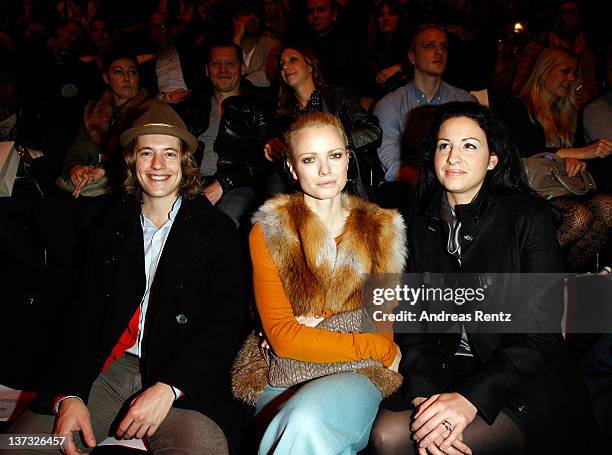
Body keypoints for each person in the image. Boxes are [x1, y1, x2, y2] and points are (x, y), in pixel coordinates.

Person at [6, 102, 247, 455]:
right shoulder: (109, 226)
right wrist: (69, 394)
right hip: (109, 369)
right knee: (17, 445)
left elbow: (227, 323)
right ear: (133, 161)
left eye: (169, 154)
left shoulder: (218, 232)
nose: (158, 165)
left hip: (180, 380)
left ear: (184, 162)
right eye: (147, 153)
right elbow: (82, 315)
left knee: (204, 449)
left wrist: (170, 386)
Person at [370, 101, 600, 455]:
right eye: (444, 145)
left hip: (515, 372)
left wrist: (470, 398)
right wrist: (424, 394)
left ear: (492, 160)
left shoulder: (527, 218)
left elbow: (540, 333)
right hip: (442, 367)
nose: (453, 156)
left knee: (452, 443)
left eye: (469, 145)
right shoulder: (414, 224)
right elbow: (410, 323)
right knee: (388, 436)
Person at [248, 112, 404, 453]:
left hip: (357, 376)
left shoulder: (381, 229)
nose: (324, 170)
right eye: (309, 159)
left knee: (305, 421)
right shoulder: (270, 230)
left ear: (349, 159)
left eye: (334, 156)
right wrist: (375, 347)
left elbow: (381, 326)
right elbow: (285, 341)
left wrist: (316, 328)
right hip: (286, 375)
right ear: (291, 168)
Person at [499, 47, 612, 269]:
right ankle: (524, 269)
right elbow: (525, 152)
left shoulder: (567, 114)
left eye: (574, 73)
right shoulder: (516, 107)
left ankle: (569, 277)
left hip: (565, 188)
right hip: (529, 191)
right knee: (578, 217)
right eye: (565, 71)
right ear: (544, 72)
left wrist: (575, 160)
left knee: (608, 207)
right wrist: (581, 152)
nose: (571, 79)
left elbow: (578, 157)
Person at [263, 44, 381, 197]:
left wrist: (336, 143)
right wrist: (273, 146)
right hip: (303, 185)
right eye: (282, 64)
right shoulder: (284, 113)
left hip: (345, 181)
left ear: (310, 65)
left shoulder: (336, 97)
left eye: (293, 60)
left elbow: (373, 132)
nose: (286, 66)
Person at [374, 24, 476, 184]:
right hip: (407, 191)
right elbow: (392, 163)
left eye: (443, 47)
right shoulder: (389, 105)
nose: (439, 52)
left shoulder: (465, 101)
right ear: (412, 57)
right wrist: (429, 185)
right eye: (429, 46)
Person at [59, 49, 150, 197]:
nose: (127, 78)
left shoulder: (149, 110)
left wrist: (104, 169)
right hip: (93, 186)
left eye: (132, 72)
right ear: (106, 78)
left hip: (130, 186)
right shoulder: (93, 113)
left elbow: (143, 155)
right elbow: (76, 151)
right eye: (118, 72)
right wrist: (76, 168)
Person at [199, 42, 270, 226]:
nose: (223, 69)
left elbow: (262, 160)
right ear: (207, 70)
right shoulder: (192, 107)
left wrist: (222, 184)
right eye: (216, 64)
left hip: (238, 185)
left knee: (224, 221)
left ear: (242, 68)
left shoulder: (259, 107)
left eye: (230, 63)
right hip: (192, 182)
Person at [232, 0, 281, 88]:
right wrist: (236, 39)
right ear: (235, 18)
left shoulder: (271, 43)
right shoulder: (224, 43)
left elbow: (267, 78)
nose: (252, 17)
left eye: (256, 13)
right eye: (246, 13)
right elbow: (227, 73)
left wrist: (241, 80)